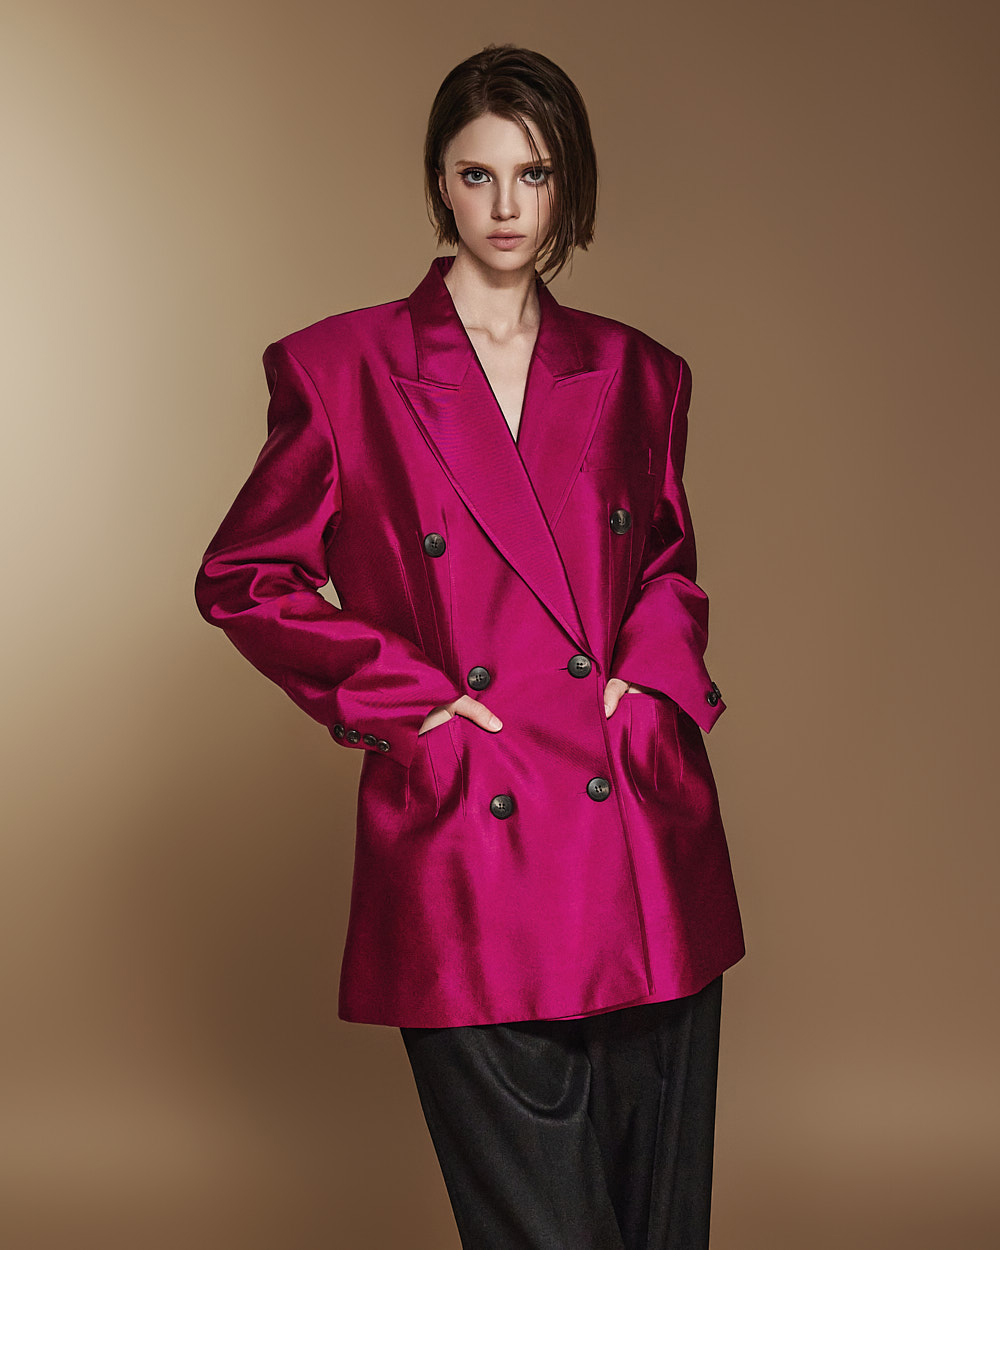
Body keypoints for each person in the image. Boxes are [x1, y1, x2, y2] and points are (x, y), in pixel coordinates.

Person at [194, 43, 746, 1249]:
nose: (505, 207)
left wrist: (650, 691)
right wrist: (411, 704)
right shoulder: (340, 369)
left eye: (533, 175)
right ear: (438, 183)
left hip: (636, 835)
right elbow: (245, 576)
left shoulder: (641, 373)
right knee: (546, 1256)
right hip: (470, 837)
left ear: (568, 184)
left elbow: (664, 563)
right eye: (476, 174)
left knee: (659, 1249)